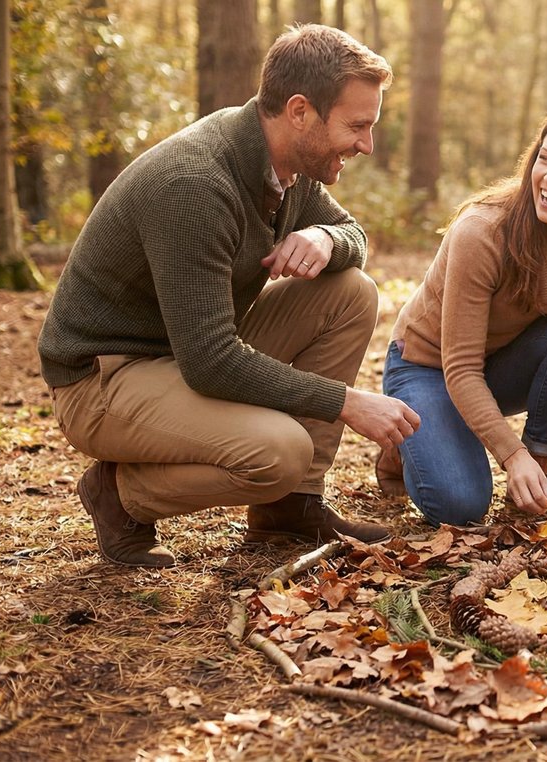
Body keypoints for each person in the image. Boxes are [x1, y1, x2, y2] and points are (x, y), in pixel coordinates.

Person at [36, 25, 420, 568]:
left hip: (183, 352)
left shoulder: (289, 165)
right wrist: (347, 403)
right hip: (104, 379)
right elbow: (212, 363)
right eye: (357, 126)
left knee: (350, 291)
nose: (366, 144)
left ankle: (291, 507)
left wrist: (323, 236)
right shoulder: (194, 183)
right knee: (281, 450)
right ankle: (118, 498)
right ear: (299, 111)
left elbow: (354, 239)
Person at [377, 104, 547, 526]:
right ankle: (404, 438)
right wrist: (509, 455)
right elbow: (459, 367)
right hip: (426, 365)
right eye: (545, 158)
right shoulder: (482, 232)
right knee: (461, 506)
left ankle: (538, 477)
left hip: (500, 365)